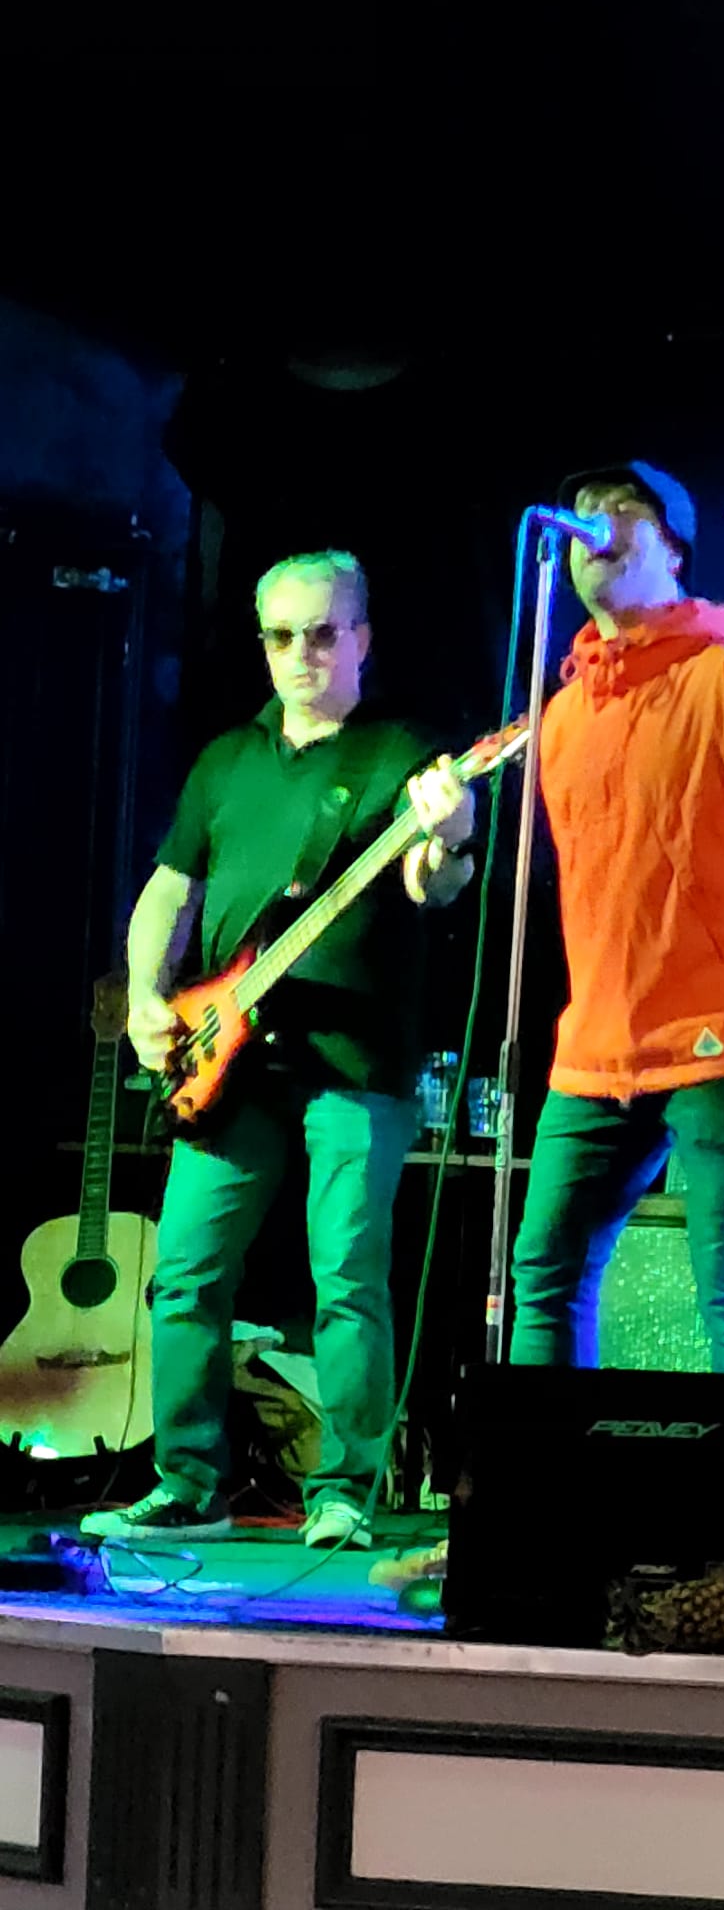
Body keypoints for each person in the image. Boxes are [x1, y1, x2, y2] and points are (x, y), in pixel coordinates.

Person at [81, 548, 475, 1547]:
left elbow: (433, 886)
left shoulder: (402, 753)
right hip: (227, 1057)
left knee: (347, 1275)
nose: (303, 653)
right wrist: (145, 997)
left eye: (324, 632)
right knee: (185, 1271)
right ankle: (187, 1484)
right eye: (282, 635)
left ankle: (345, 1491)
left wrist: (451, 833)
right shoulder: (227, 759)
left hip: (357, 1061)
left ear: (363, 638)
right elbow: (171, 891)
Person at [509, 460, 724, 1378]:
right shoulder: (563, 717)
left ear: (675, 548)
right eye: (581, 511)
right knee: (543, 1276)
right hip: (598, 1048)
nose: (593, 523)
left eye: (621, 508)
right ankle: (544, 1469)